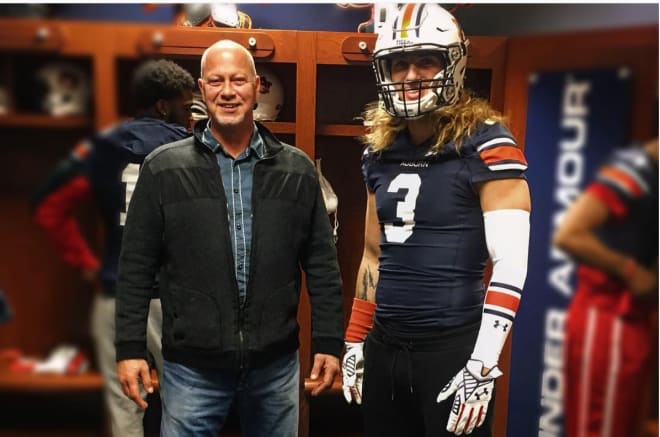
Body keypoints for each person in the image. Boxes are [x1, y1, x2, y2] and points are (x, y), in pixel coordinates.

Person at [115, 39, 343, 437]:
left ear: (256, 87)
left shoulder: (297, 169)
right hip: (191, 370)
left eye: (238, 80)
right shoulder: (163, 169)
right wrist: (130, 348)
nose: (227, 91)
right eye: (216, 81)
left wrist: (328, 341)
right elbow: (136, 265)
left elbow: (322, 264)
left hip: (275, 366)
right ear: (201, 90)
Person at [340, 4, 531, 436]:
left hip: (452, 348)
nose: (411, 75)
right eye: (398, 63)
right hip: (385, 343)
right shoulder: (379, 151)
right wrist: (355, 338)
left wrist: (483, 362)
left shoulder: (487, 143)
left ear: (454, 61)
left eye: (425, 59)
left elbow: (510, 264)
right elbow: (372, 255)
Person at [32, 59, 196, 436]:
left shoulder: (99, 146)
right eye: (186, 107)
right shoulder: (192, 149)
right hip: (175, 298)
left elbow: (48, 206)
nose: (190, 117)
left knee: (125, 410)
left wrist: (87, 262)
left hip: (117, 291)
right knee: (185, 407)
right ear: (162, 105)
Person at [553, 137, 658, 437]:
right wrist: (629, 270)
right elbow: (569, 235)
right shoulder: (634, 171)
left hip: (637, 319)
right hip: (608, 317)